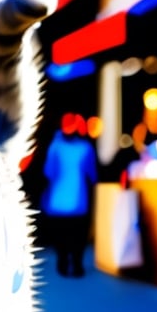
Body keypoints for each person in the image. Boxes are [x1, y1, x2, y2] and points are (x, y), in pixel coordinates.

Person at [40, 112, 99, 277]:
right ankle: (77, 264)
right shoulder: (85, 147)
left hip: (58, 199)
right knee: (78, 234)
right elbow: (92, 174)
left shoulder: (56, 146)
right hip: (79, 199)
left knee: (62, 234)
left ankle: (63, 262)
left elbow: (48, 172)